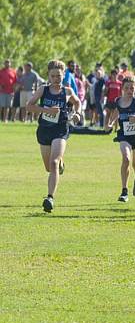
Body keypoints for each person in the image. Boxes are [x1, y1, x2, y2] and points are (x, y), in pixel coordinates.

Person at [30, 60, 81, 212]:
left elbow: (77, 102)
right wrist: (46, 111)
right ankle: (61, 164)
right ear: (48, 76)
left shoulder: (67, 91)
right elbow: (29, 106)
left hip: (60, 129)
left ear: (63, 75)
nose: (56, 79)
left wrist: (77, 113)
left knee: (53, 163)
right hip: (44, 130)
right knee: (49, 167)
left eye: (58, 76)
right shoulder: (42, 90)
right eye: (53, 76)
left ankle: (50, 198)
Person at [105, 76, 135, 202]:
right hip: (124, 136)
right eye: (126, 88)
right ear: (122, 88)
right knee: (126, 159)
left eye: (132, 88)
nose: (129, 90)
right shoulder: (118, 101)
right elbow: (116, 113)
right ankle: (124, 191)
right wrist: (110, 123)